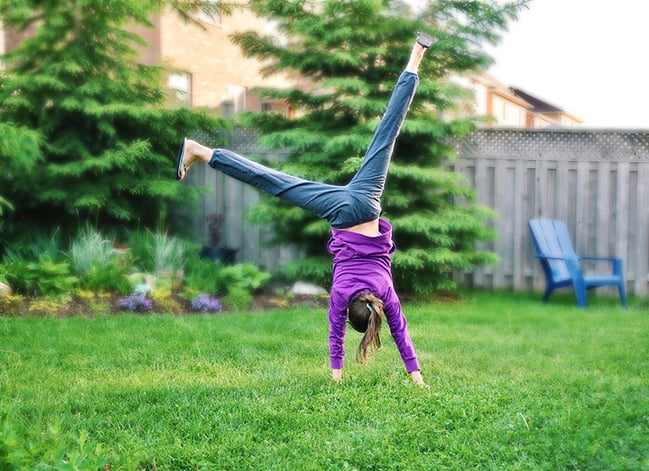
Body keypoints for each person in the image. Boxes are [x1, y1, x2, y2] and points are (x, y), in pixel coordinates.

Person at [176, 32, 434, 386]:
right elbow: (335, 336)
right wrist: (336, 375)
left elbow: (403, 335)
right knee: (273, 181)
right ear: (351, 313)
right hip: (342, 214)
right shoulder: (342, 294)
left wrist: (417, 375)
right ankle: (202, 151)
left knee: (389, 129)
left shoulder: (385, 292)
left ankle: (416, 55)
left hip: (367, 202)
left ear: (373, 308)